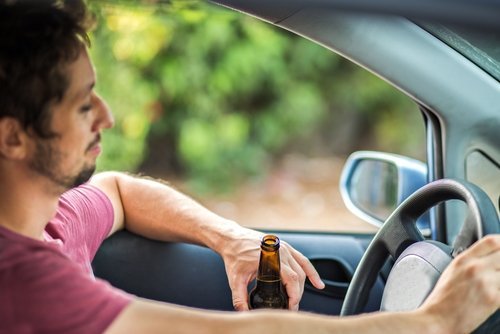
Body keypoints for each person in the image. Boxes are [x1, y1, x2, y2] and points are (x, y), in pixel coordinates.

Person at [0, 1, 499, 333]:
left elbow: (119, 192)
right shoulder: (21, 283)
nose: (107, 117)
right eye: (84, 105)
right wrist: (436, 318)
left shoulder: (52, 220)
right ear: (13, 136)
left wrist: (231, 238)